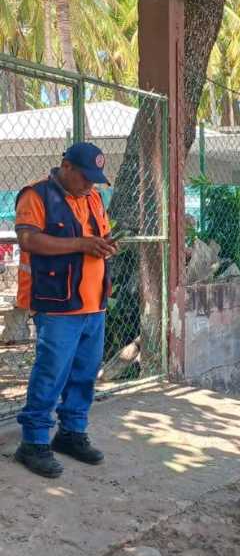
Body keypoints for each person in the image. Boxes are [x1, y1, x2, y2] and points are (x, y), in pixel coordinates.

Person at [14, 142, 117, 478]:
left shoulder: (93, 198)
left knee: (85, 375)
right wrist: (82, 244)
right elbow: (28, 240)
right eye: (85, 177)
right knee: (50, 374)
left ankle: (71, 433)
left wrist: (106, 245)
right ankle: (33, 442)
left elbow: (99, 235)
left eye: (95, 179)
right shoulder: (37, 196)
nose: (90, 184)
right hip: (57, 304)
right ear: (66, 167)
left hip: (94, 303)